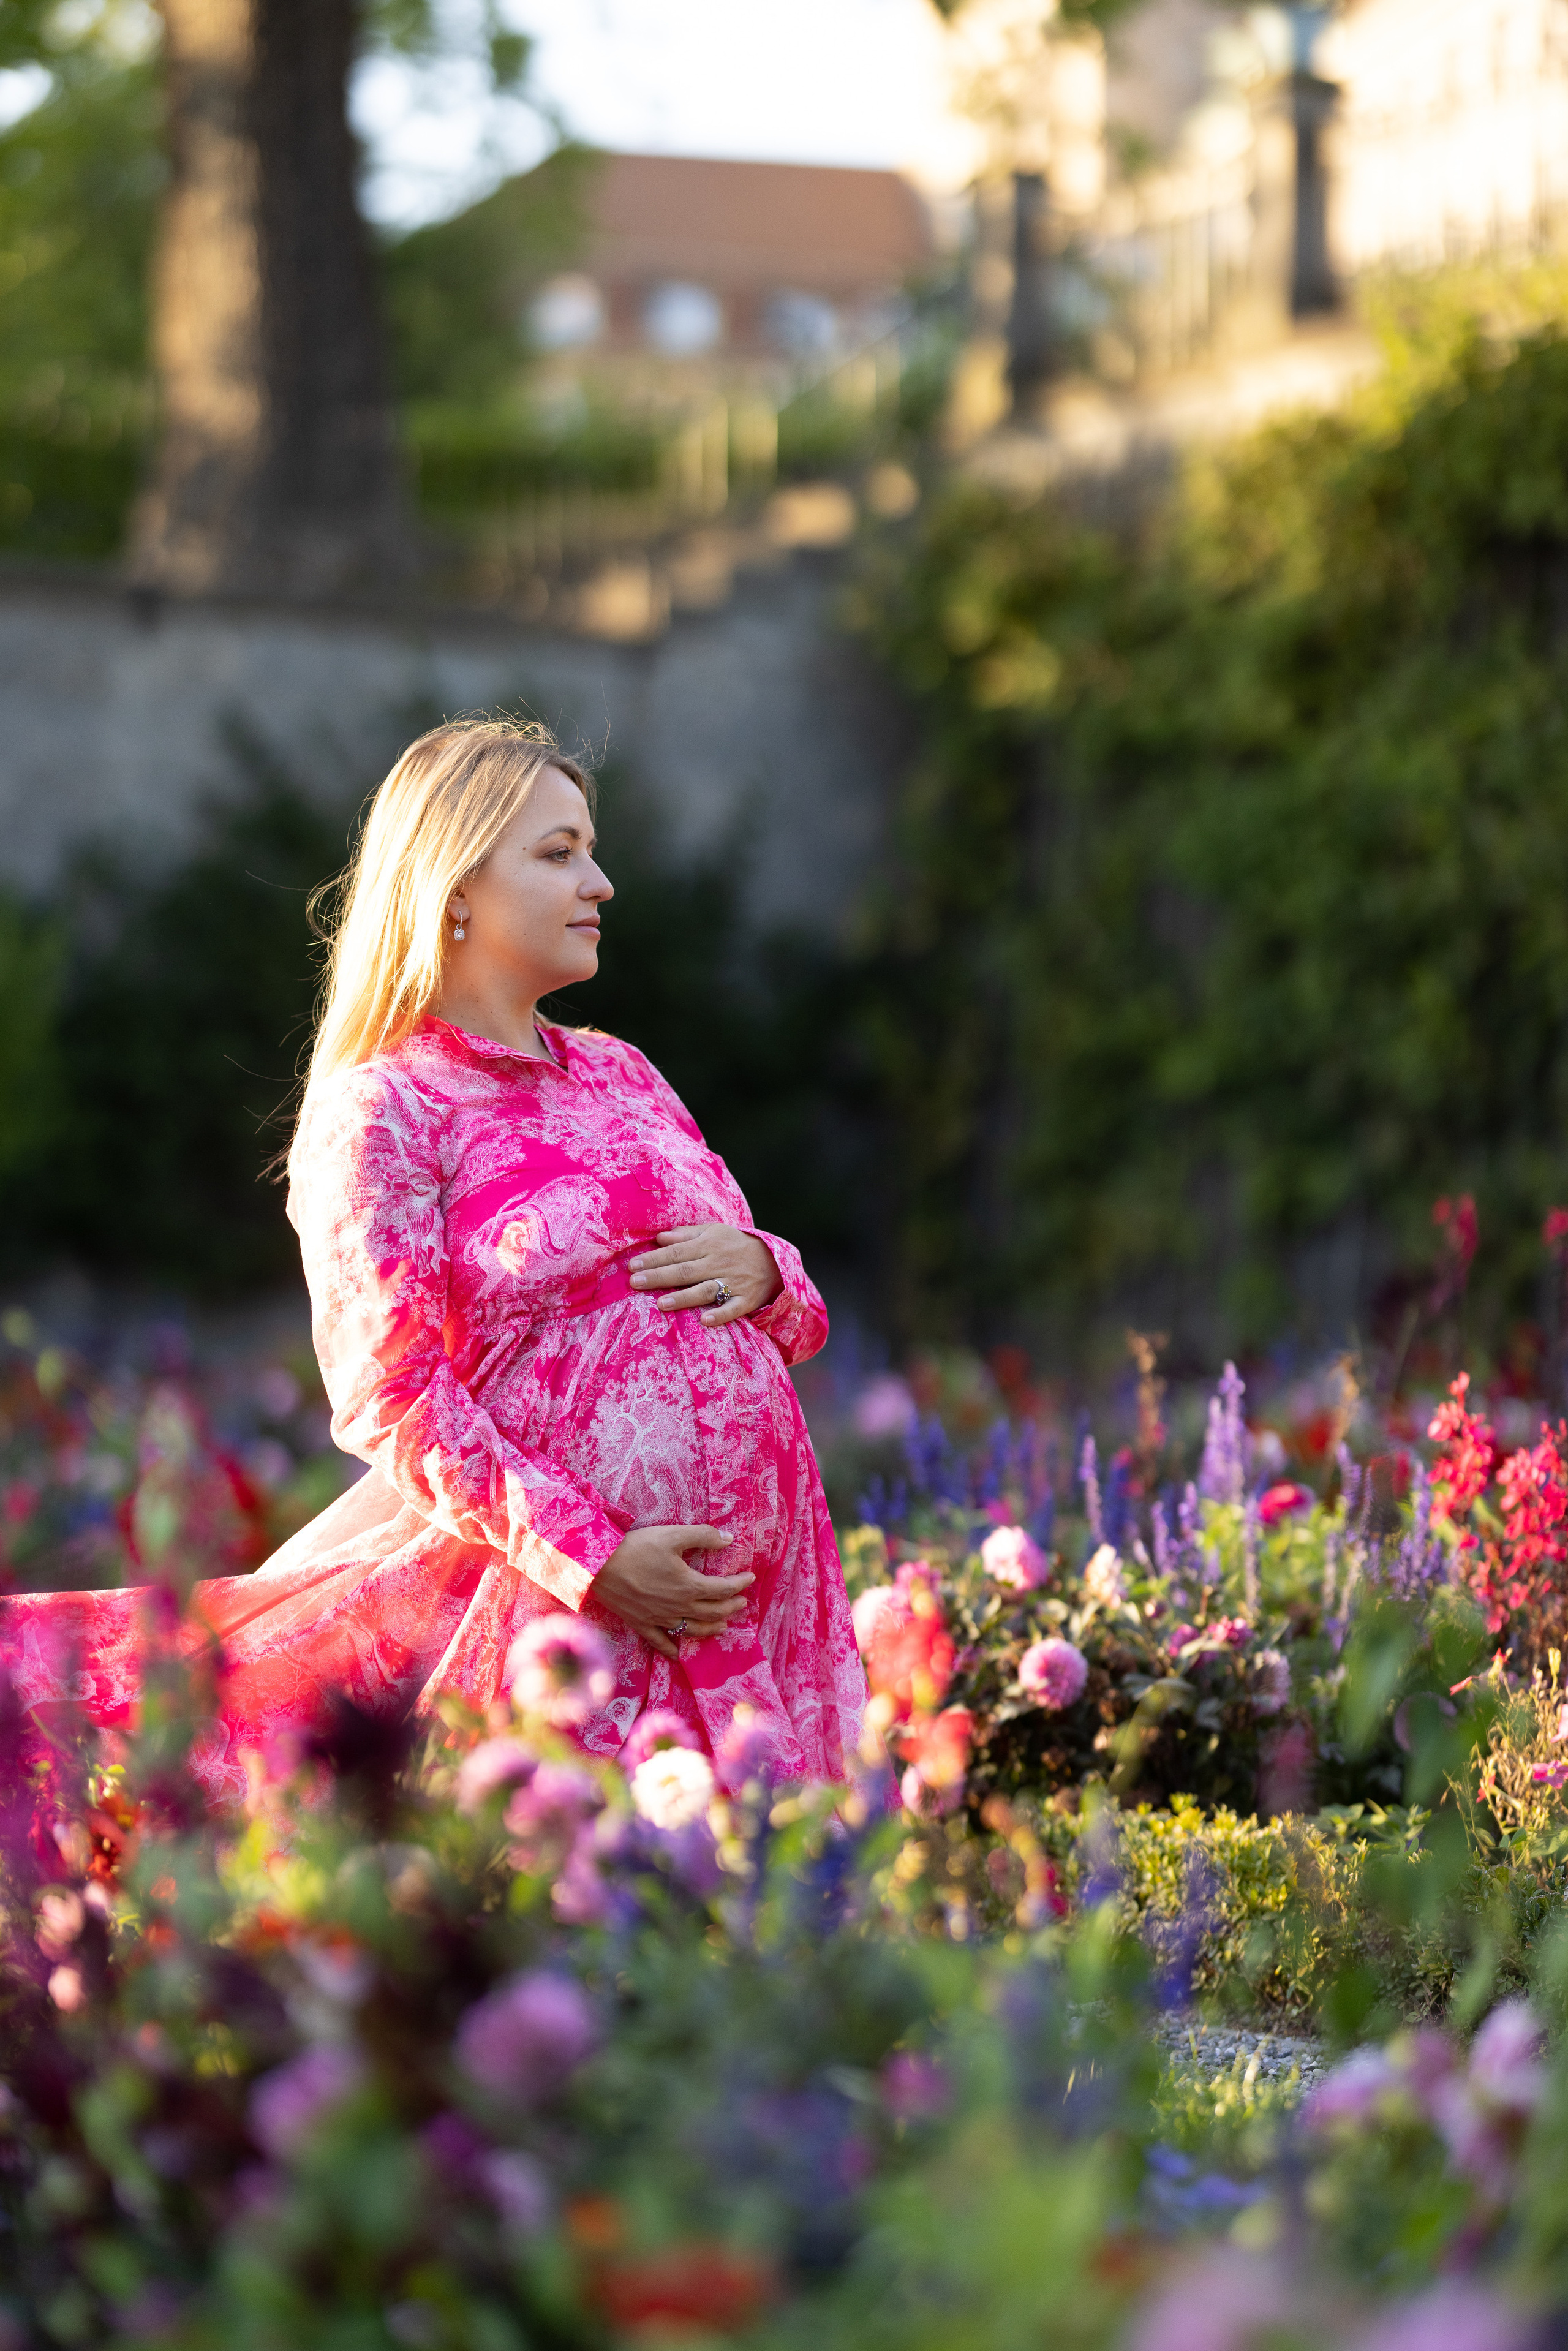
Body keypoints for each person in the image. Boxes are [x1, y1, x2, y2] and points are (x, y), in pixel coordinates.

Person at [1, 719, 867, 1799]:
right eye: (558, 853)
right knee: (607, 1937)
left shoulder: (625, 1073)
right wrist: (592, 1558)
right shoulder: (385, 1106)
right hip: (568, 1619)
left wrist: (769, 1267)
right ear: (454, 885)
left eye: (591, 849)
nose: (599, 882)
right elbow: (392, 1398)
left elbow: (790, 1314)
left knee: (784, 1928)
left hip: (761, 1606)